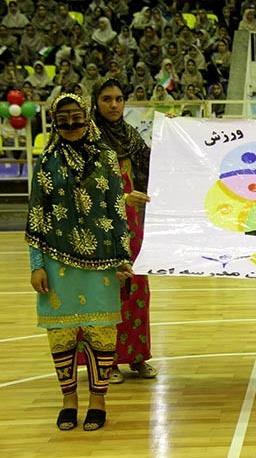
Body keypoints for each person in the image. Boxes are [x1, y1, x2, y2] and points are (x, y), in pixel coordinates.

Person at [26, 93, 133, 431]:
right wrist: (36, 264)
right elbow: (36, 213)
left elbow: (117, 211)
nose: (71, 125)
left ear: (87, 119)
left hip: (102, 262)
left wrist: (123, 257)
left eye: (77, 118)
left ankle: (98, 401)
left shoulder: (106, 158)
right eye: (63, 119)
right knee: (62, 336)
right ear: (55, 123)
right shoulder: (46, 162)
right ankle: (68, 400)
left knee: (102, 335)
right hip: (56, 265)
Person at [91, 78, 158, 384]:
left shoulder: (129, 136)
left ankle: (137, 356)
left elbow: (156, 160)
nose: (114, 104)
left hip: (131, 222)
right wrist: (119, 198)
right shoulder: (86, 140)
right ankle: (109, 360)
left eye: (119, 98)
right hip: (100, 225)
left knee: (138, 289)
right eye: (107, 99)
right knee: (109, 291)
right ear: (96, 102)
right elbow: (85, 190)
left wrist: (172, 133)